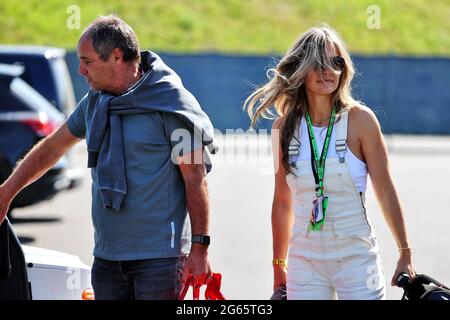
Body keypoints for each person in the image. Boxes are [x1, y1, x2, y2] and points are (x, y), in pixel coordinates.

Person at [0, 15, 216, 300]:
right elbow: (53, 148)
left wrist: (200, 248)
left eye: (87, 61)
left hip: (160, 260)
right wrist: (6, 191)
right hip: (107, 258)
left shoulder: (173, 105)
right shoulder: (94, 102)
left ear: (116, 56)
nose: (80, 70)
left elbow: (195, 178)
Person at [245, 24, 415, 299]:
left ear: (343, 68)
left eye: (335, 62)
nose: (328, 71)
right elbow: (282, 201)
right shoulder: (283, 128)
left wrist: (405, 253)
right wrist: (279, 265)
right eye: (319, 63)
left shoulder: (362, 120)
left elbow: (385, 190)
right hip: (304, 262)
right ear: (301, 69)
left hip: (357, 260)